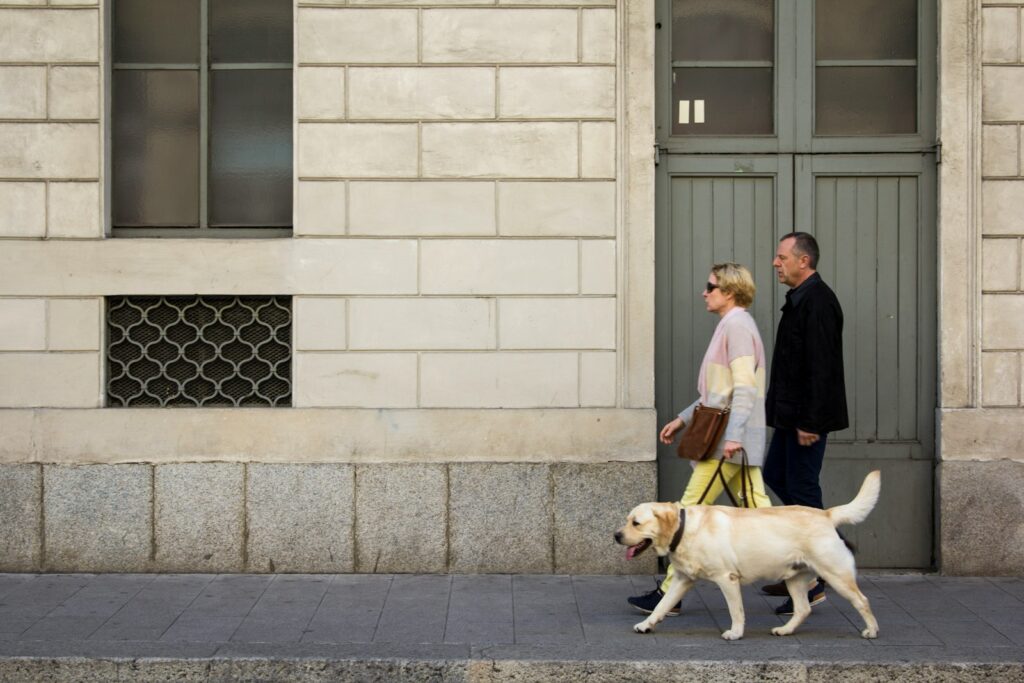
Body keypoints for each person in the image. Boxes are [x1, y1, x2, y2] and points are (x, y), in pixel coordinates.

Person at [627, 263, 771, 616]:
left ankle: (667, 596)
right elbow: (716, 393)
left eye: (711, 286)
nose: (704, 292)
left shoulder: (736, 325)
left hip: (727, 441)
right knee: (760, 509)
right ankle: (806, 569)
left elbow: (743, 389)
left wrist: (734, 437)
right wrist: (683, 418)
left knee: (687, 512)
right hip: (731, 438)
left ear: (730, 292)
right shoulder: (732, 324)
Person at [760, 231, 849, 616]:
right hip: (790, 417)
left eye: (782, 257)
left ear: (804, 261)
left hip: (805, 420)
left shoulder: (819, 302)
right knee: (777, 475)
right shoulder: (801, 300)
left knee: (801, 488)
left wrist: (811, 420)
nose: (776, 263)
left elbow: (822, 367)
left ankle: (816, 575)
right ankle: (824, 554)